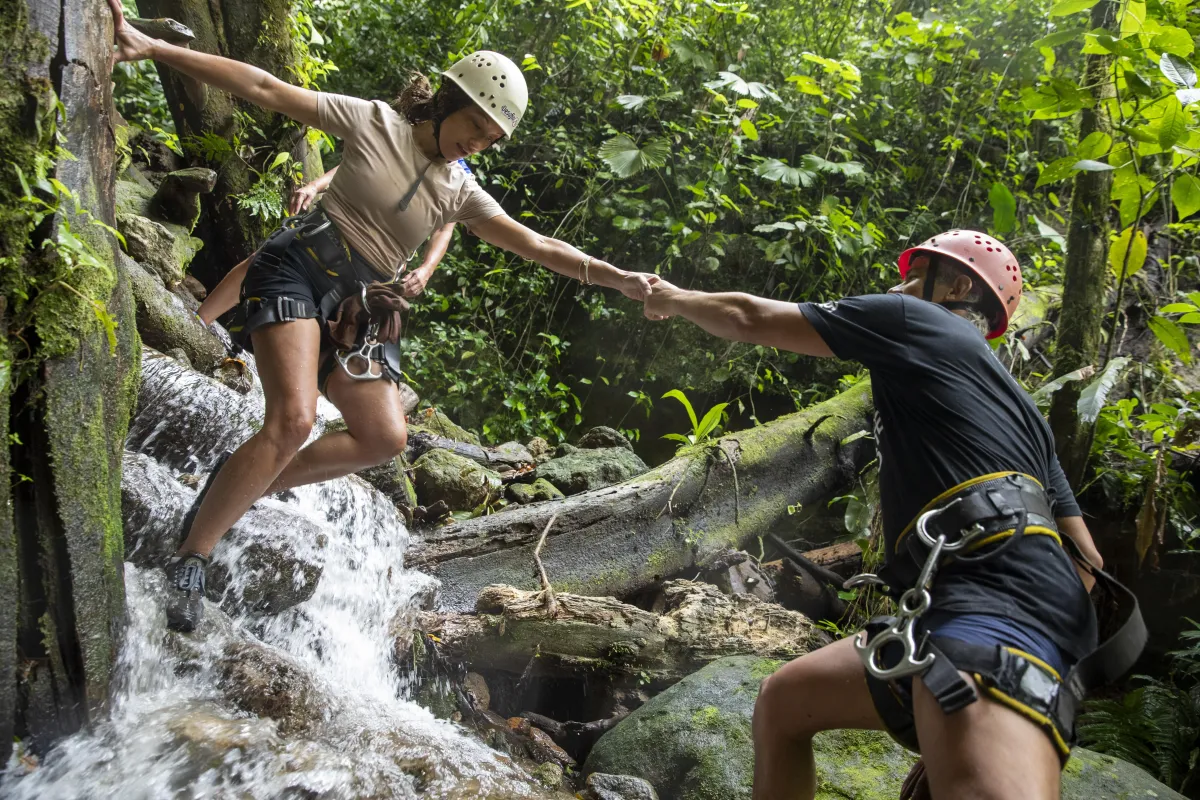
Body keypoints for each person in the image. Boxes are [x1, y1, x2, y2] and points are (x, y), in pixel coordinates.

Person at [107, 0, 654, 632]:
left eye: (491, 140)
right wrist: (153, 49)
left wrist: (619, 279)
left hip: (361, 301)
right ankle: (193, 554)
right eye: (475, 126)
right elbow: (264, 86)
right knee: (293, 417)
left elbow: (538, 245)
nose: (478, 143)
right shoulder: (372, 123)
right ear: (449, 100)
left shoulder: (460, 188)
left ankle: (245, 484)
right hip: (299, 266)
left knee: (385, 437)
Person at [642, 230, 1143, 799]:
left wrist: (672, 299)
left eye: (915, 275)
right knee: (784, 702)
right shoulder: (1022, 412)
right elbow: (1087, 562)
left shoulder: (918, 321)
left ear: (958, 287)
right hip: (992, 604)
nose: (898, 285)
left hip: (989, 605)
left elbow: (749, 316)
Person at [198, 161, 466, 325]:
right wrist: (315, 186)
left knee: (338, 324)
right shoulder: (410, 136)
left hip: (376, 264)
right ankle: (199, 321)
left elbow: (444, 228)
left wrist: (427, 269)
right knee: (264, 259)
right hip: (333, 227)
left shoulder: (460, 175)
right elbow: (354, 167)